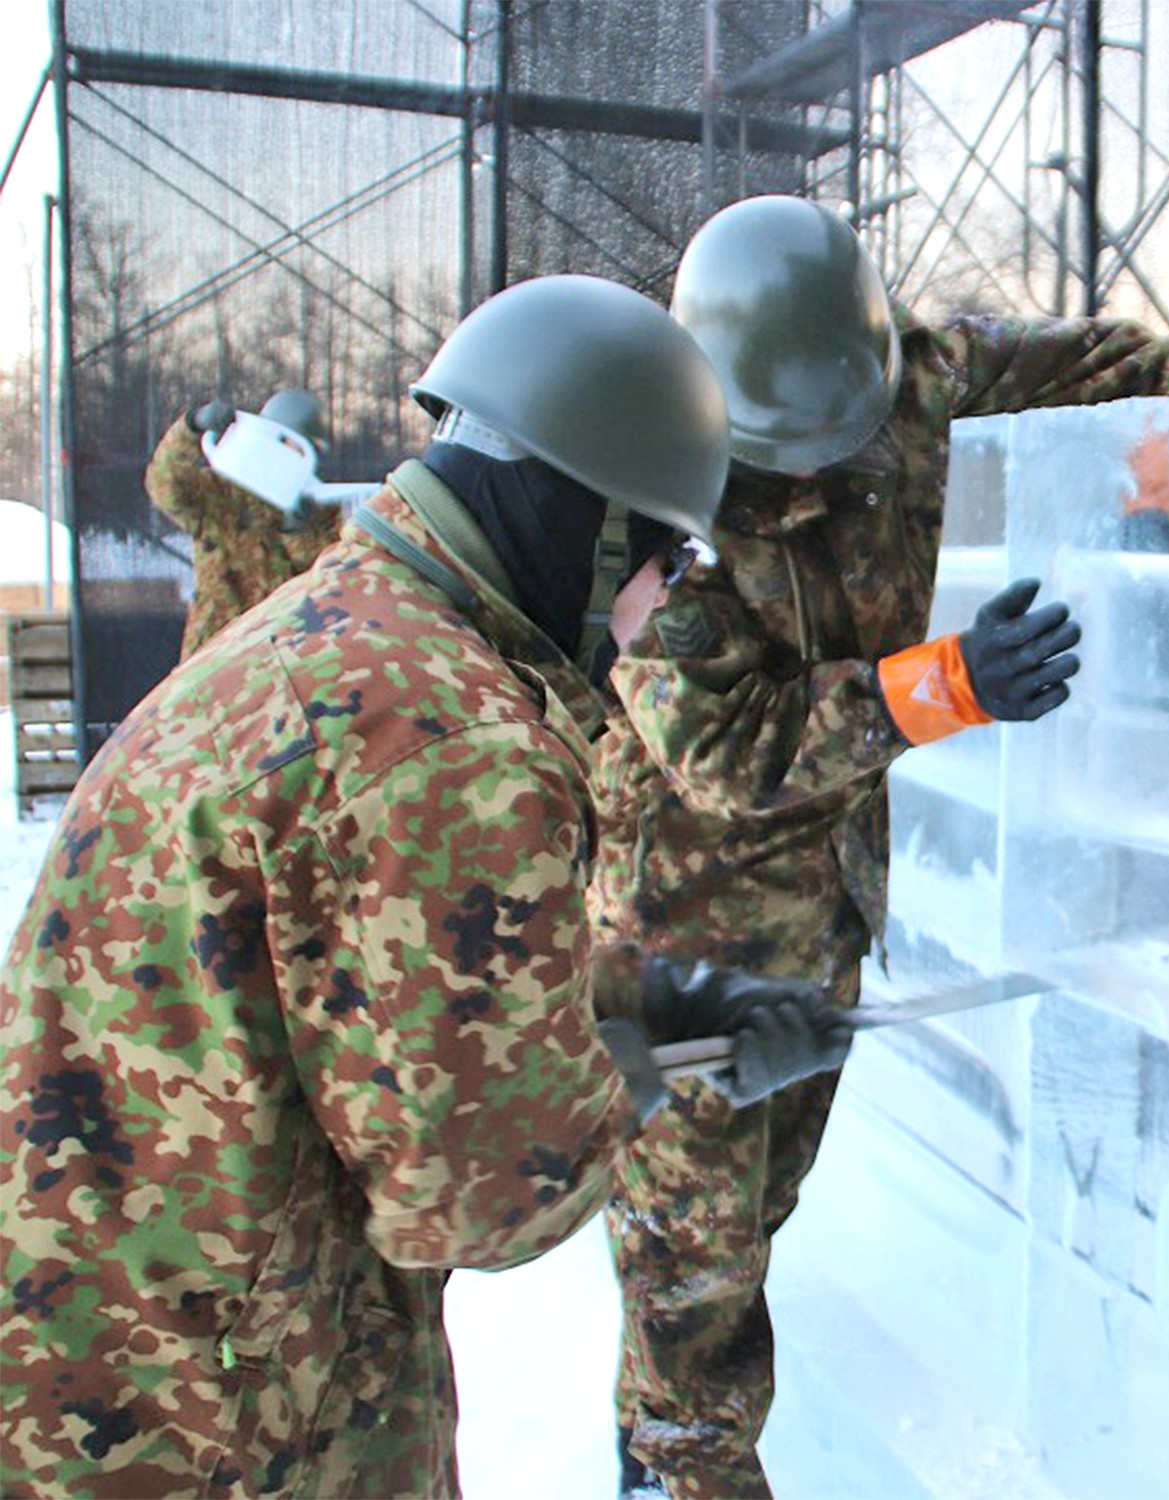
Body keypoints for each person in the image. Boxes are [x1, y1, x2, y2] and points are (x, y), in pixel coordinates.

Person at [0, 273, 851, 1498]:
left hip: (106, 1345)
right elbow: (484, 1192)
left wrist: (649, 993)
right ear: (598, 524)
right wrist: (670, 1064)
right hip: (214, 1419)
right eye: (669, 558)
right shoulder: (451, 744)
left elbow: (357, 977)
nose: (660, 608)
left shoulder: (336, 635)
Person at [593, 193, 1169, 1498]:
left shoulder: (920, 380)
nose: (821, 475)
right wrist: (945, 685)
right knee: (692, 1282)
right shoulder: (645, 503)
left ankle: (661, 1444)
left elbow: (1151, 369)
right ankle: (673, 1470)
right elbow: (716, 749)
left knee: (746, 1232)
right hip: (684, 944)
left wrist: (1155, 496)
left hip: (826, 916)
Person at [147, 388, 347, 658]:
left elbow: (326, 576)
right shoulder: (221, 493)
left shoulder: (318, 505)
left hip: (283, 651)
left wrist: (298, 530)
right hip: (215, 648)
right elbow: (167, 486)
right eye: (288, 444)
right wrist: (191, 427)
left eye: (303, 449)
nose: (292, 455)